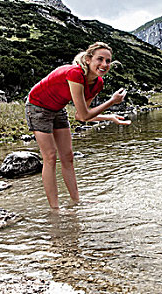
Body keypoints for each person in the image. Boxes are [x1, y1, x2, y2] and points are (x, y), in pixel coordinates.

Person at [25, 42, 131, 209]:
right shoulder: (75, 74)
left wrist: (110, 118)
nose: (104, 64)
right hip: (37, 106)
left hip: (57, 108)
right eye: (100, 59)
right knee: (50, 157)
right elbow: (84, 115)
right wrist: (111, 102)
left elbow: (81, 116)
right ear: (88, 59)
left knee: (68, 157)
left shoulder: (98, 83)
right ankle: (55, 209)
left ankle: (76, 201)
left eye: (108, 61)